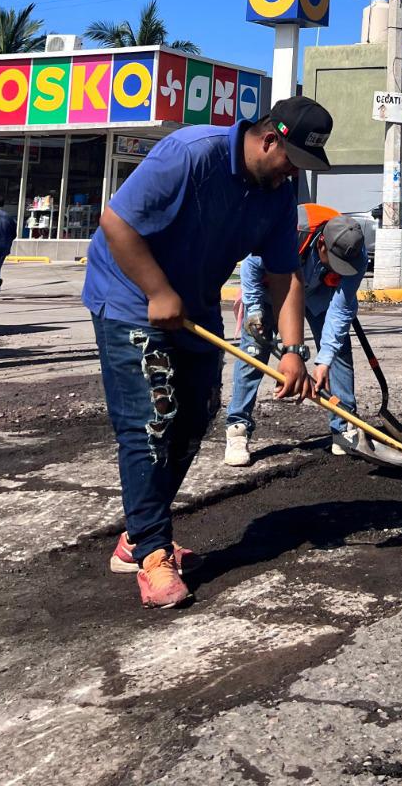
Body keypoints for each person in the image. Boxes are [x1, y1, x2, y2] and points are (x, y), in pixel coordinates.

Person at [82, 95, 333, 610]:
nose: (293, 175)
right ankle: (152, 552)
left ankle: (137, 534)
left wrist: (291, 352)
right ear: (269, 140)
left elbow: (281, 275)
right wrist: (157, 290)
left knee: (197, 412)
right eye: (291, 162)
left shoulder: (279, 194)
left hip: (192, 305)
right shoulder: (189, 153)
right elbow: (115, 223)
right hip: (131, 295)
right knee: (150, 418)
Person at [224, 208, 402, 468]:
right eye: (333, 261)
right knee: (253, 353)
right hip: (273, 290)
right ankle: (238, 428)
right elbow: (251, 267)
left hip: (320, 293)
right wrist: (254, 310)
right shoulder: (289, 232)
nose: (338, 267)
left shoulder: (355, 255)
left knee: (339, 353)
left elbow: (341, 309)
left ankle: (343, 427)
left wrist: (323, 361)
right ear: (321, 242)